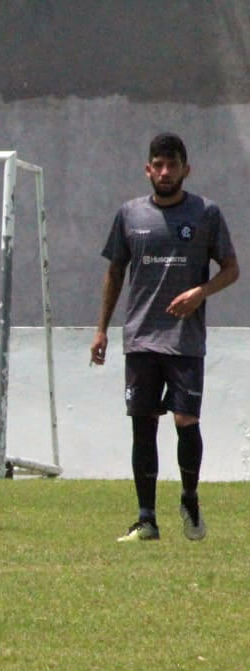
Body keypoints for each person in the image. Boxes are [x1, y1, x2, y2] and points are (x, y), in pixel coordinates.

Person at [90, 132, 239, 542]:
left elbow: (231, 268)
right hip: (140, 338)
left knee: (185, 420)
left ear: (185, 170)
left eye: (173, 165)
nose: (165, 172)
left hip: (184, 341)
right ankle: (146, 519)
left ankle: (189, 499)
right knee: (143, 425)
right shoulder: (129, 215)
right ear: (148, 169)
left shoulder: (206, 213)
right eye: (158, 164)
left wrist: (200, 292)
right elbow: (115, 272)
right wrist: (102, 329)